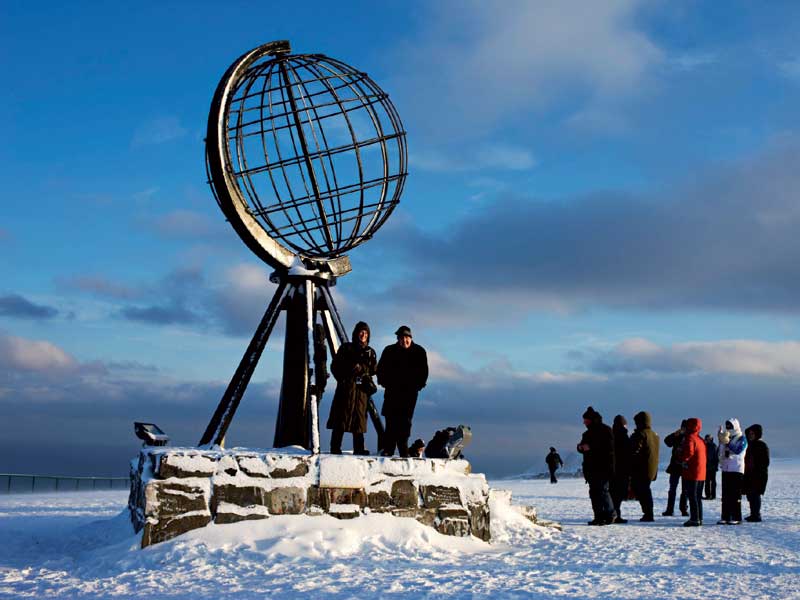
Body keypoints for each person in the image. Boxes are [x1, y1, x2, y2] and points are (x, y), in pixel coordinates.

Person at [377, 325, 429, 457]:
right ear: (397, 339)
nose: (404, 340)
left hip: (409, 394)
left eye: (406, 337)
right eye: (401, 338)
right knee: (391, 421)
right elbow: (380, 370)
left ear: (410, 338)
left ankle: (403, 450)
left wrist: (417, 386)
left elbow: (424, 372)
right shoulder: (389, 350)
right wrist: (385, 383)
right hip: (392, 392)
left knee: (404, 422)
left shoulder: (419, 352)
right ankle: (389, 449)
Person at [326, 321, 377, 455]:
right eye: (361, 331)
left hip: (360, 391)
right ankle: (335, 448)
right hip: (346, 389)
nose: (363, 334)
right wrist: (346, 375)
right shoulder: (346, 348)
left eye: (366, 333)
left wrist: (368, 365)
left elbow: (373, 370)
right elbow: (335, 367)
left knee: (359, 420)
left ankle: (359, 449)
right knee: (340, 419)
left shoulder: (370, 352)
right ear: (356, 333)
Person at [577, 406, 616, 525]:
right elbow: (582, 447)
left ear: (592, 419)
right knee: (594, 492)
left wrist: (591, 447)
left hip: (603, 467)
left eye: (586, 420)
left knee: (602, 491)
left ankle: (610, 514)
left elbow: (610, 448)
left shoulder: (606, 430)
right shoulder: (586, 433)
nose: (584, 422)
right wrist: (580, 448)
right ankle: (598, 517)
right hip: (590, 468)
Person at [629, 411, 659, 522]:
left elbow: (634, 451)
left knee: (643, 491)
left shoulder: (641, 434)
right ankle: (648, 512)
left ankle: (648, 514)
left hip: (641, 469)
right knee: (645, 490)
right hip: (651, 469)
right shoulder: (654, 435)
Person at [717, 418, 748, 525]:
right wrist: (721, 440)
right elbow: (720, 452)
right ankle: (725, 516)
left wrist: (727, 442)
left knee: (735, 495)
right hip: (726, 469)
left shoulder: (742, 438)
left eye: (730, 426)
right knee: (725, 495)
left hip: (736, 469)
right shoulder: (727, 437)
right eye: (727, 426)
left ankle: (736, 516)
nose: (728, 429)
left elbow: (738, 449)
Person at [679, 417, 706, 527]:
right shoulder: (700, 439)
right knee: (698, 497)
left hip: (692, 472)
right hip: (701, 472)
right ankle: (699, 517)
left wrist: (681, 456)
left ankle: (694, 519)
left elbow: (688, 453)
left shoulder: (690, 438)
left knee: (692, 496)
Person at [662, 420, 689, 517]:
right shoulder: (677, 436)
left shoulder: (690, 438)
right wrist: (675, 434)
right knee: (672, 489)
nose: (683, 430)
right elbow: (667, 442)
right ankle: (670, 510)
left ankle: (683, 509)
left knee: (685, 490)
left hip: (685, 467)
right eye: (682, 428)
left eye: (685, 428)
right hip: (675, 467)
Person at [743, 424, 769, 522]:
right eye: (749, 434)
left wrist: (757, 470)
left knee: (755, 494)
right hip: (748, 474)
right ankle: (753, 514)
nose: (750, 435)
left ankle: (756, 515)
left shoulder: (761, 445)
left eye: (752, 434)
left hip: (758, 475)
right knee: (750, 495)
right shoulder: (748, 445)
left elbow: (765, 461)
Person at [610, 415, 631, 523]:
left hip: (612, 469)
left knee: (613, 493)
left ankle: (614, 513)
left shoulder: (611, 435)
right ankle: (616, 515)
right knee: (618, 495)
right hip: (623, 470)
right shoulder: (624, 436)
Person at [703, 434, 719, 500]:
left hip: (712, 467)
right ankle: (708, 495)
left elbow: (716, 457)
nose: (707, 440)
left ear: (711, 439)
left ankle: (713, 495)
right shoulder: (704, 446)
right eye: (706, 438)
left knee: (713, 482)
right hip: (706, 467)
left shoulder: (714, 446)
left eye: (708, 438)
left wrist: (715, 466)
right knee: (707, 482)